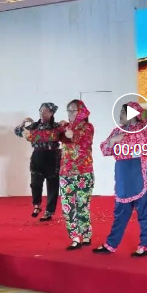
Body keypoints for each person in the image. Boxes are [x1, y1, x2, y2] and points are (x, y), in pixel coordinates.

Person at [93, 99, 147, 257]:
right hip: (123, 176)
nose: (120, 115)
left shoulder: (142, 129)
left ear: (132, 114)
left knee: (144, 211)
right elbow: (104, 150)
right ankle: (111, 244)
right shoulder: (117, 131)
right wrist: (112, 141)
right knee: (120, 212)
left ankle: (144, 245)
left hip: (140, 174)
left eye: (123, 112)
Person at [27, 100, 95, 250]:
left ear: (81, 112)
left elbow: (78, 137)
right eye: (68, 110)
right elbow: (50, 135)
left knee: (82, 206)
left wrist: (70, 131)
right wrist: (31, 135)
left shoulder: (88, 127)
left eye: (73, 110)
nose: (70, 113)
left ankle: (86, 234)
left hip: (84, 174)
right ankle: (75, 237)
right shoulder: (64, 127)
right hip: (66, 173)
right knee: (67, 207)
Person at [14, 103, 61, 222]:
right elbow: (18, 133)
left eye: (45, 111)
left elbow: (64, 136)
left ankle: (49, 212)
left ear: (52, 113)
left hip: (52, 156)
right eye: (41, 110)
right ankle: (37, 205)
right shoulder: (35, 126)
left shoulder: (56, 126)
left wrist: (66, 125)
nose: (42, 113)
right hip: (38, 155)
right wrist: (22, 124)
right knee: (35, 183)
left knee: (52, 186)